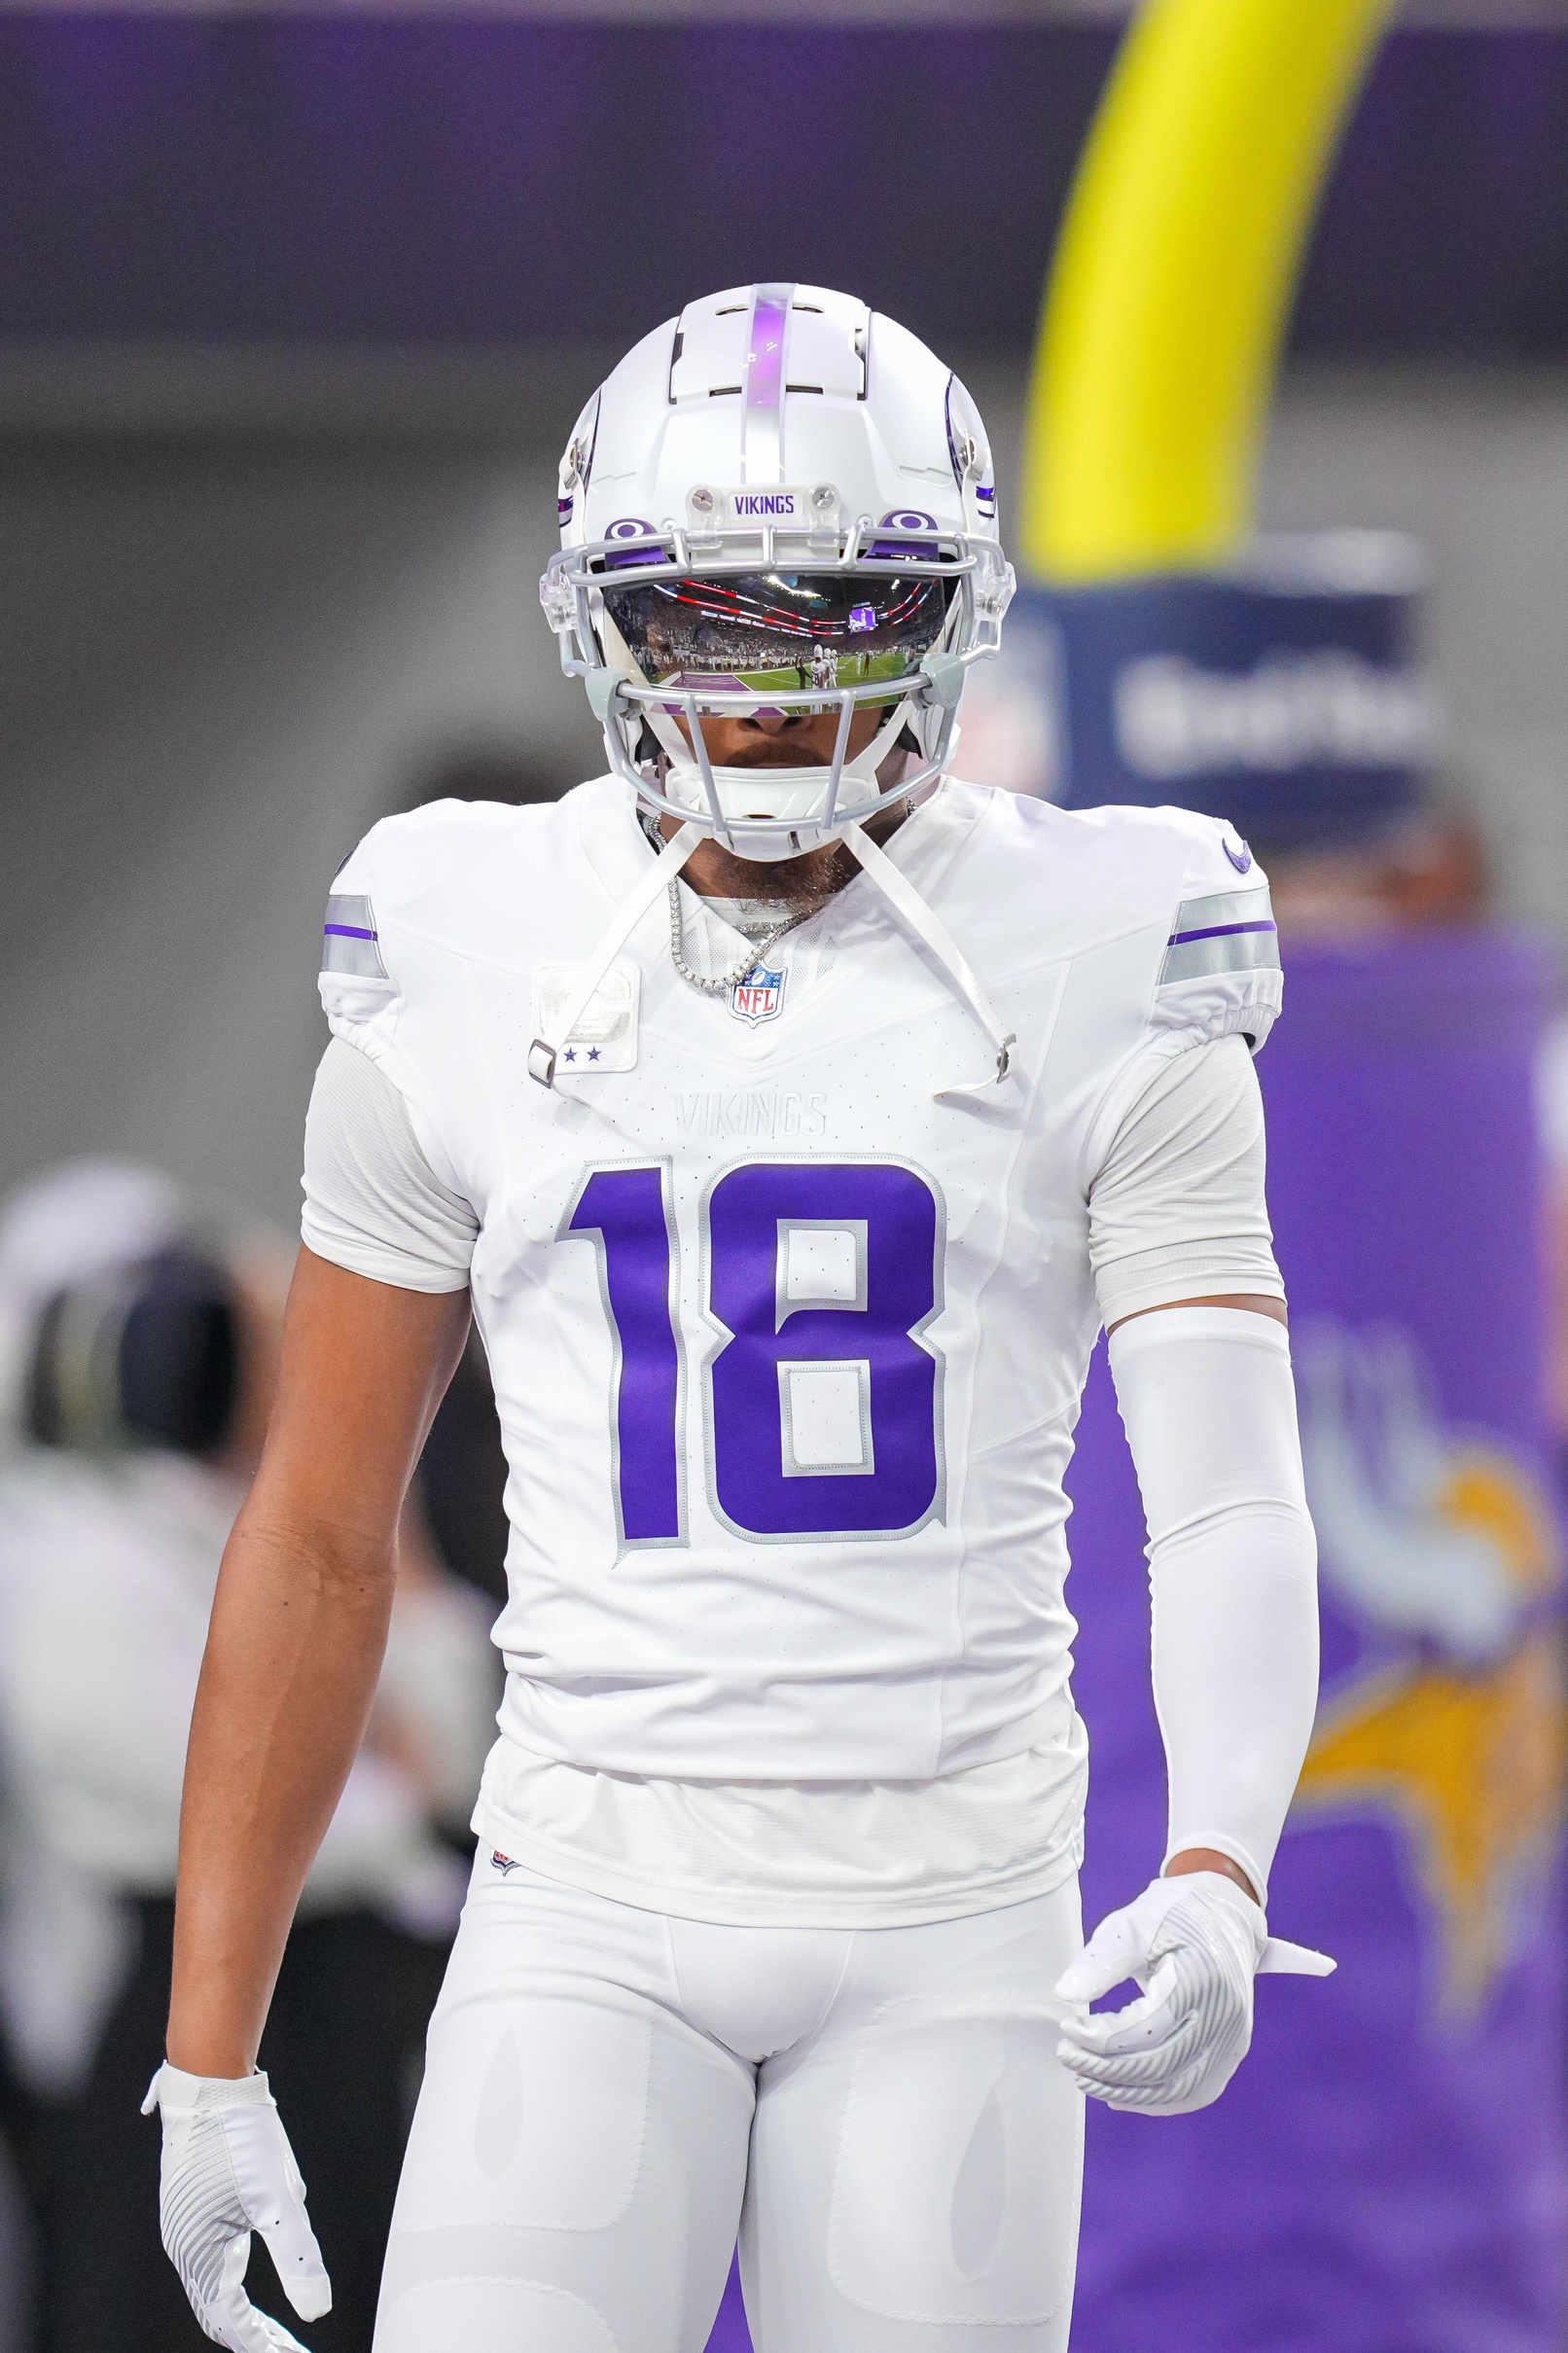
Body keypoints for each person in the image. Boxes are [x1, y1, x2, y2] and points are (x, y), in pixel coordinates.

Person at [146, 281, 1330, 2353]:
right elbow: (322, 1529)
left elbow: (1223, 1497)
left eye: (837, 616)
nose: (773, 698)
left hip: (954, 1912)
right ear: (595, 617)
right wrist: (207, 2042)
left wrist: (1221, 1859)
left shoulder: (1104, 946)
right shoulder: (462, 937)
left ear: (953, 614)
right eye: (708, 621)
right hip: (582, 1886)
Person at [0, 1161, 496, 2352]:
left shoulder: (273, 1536)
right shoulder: (51, 1577)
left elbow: (465, 1758)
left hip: (355, 2052)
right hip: (176, 2049)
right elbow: (331, 1823)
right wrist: (383, 1771)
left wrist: (341, 1449)